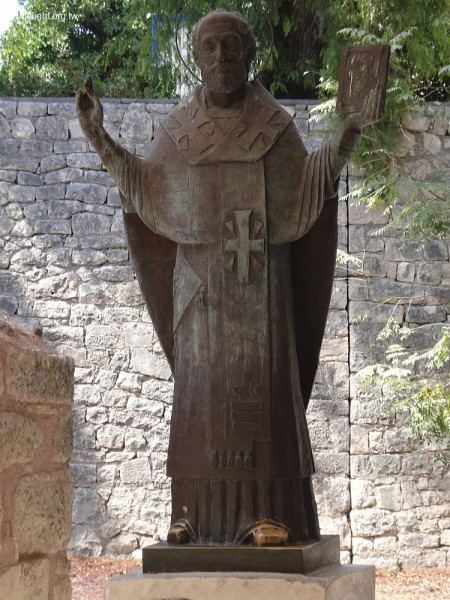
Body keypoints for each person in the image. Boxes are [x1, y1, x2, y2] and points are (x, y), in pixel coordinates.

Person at [77, 9, 377, 547]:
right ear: (196, 58)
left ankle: (270, 513)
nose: (220, 58)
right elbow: (144, 188)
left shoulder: (274, 127)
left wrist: (349, 130)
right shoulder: (179, 131)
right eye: (209, 48)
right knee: (199, 394)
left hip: (262, 290)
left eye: (231, 46)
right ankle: (193, 515)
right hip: (199, 292)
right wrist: (99, 137)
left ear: (249, 54)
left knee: (262, 394)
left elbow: (309, 185)